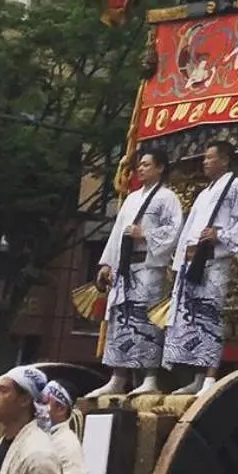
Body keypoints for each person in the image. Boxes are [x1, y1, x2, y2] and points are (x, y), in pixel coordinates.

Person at [164, 140, 238, 394]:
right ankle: (197, 373)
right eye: (204, 158)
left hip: (214, 259)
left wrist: (221, 235)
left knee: (209, 314)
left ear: (225, 160)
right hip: (192, 260)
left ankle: (209, 375)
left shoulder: (236, 185)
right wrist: (178, 263)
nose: (205, 162)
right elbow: (188, 229)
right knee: (191, 318)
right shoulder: (205, 193)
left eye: (210, 157)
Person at [93, 143, 183, 398]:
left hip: (148, 266)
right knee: (121, 318)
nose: (140, 169)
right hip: (125, 266)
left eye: (146, 164)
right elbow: (116, 234)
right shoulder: (132, 198)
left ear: (160, 168)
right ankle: (118, 375)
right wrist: (106, 264)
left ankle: (150, 376)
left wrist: (146, 234)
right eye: (139, 165)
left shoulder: (168, 198)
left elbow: (174, 231)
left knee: (145, 319)